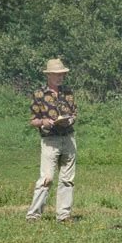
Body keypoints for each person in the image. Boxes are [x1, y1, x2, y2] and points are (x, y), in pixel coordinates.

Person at [26, 58, 78, 223]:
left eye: (62, 74)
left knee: (67, 180)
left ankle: (63, 216)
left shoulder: (68, 93)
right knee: (46, 178)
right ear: (48, 76)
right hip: (50, 140)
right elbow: (33, 120)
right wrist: (43, 122)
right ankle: (33, 215)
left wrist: (70, 120)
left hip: (68, 138)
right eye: (57, 74)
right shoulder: (39, 94)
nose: (60, 77)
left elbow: (75, 113)